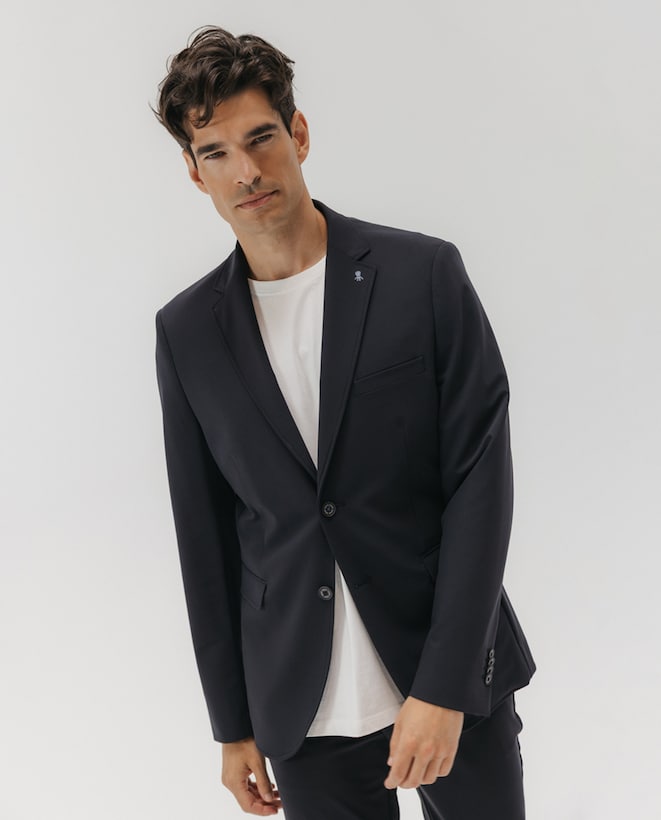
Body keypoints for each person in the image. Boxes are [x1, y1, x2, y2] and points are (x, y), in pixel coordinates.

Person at [154, 26, 535, 820]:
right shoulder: (187, 332)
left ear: (297, 133)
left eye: (260, 138)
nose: (245, 171)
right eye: (216, 152)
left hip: (445, 676)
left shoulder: (421, 274)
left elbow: (479, 483)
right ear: (194, 172)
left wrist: (444, 686)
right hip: (299, 708)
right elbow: (206, 537)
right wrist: (231, 724)